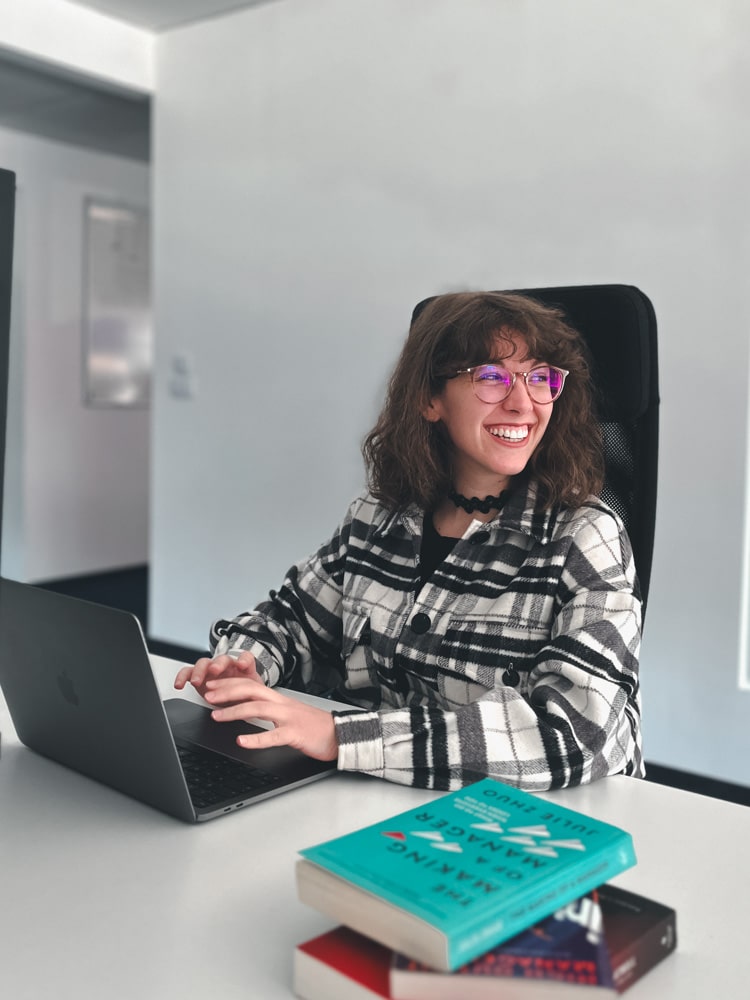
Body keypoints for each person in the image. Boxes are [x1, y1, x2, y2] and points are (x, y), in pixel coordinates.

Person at [175, 291, 643, 791]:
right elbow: (292, 621)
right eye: (492, 377)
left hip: (527, 824)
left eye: (541, 379)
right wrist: (244, 663)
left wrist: (341, 736)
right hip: (375, 799)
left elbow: (575, 734)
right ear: (430, 399)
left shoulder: (585, 537)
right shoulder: (379, 515)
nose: (523, 403)